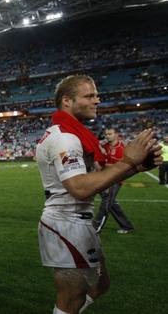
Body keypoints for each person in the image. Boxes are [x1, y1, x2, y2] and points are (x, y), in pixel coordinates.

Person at [35, 75, 162, 314]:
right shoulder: (66, 138)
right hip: (66, 222)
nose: (97, 100)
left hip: (77, 222)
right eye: (89, 95)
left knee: (101, 284)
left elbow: (97, 181)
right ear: (67, 101)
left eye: (96, 95)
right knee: (70, 298)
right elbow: (79, 187)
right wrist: (127, 161)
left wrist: (135, 167)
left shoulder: (74, 134)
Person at [93, 128, 134, 234]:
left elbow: (118, 166)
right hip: (104, 178)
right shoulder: (105, 146)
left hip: (114, 179)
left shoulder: (121, 147)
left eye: (110, 134)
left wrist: (102, 163)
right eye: (106, 134)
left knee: (106, 203)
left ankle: (96, 227)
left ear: (116, 134)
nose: (107, 136)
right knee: (111, 203)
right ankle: (126, 225)